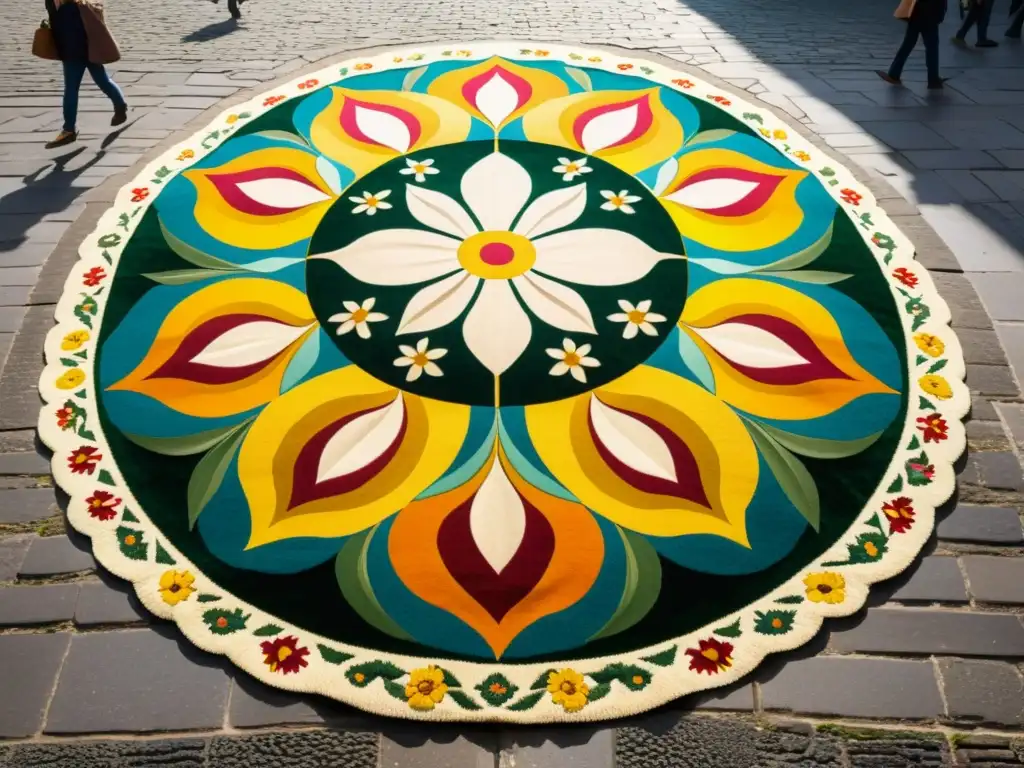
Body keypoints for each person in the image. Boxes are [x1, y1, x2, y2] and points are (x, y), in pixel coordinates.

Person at [45, 0, 127, 149]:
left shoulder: (69, 7)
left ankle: (69, 130)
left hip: (73, 50)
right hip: (87, 48)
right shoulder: (79, 5)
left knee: (71, 88)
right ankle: (120, 105)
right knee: (102, 80)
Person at [877, 0, 949, 89]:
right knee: (931, 47)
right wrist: (940, 15)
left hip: (917, 11)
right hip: (930, 14)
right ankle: (933, 79)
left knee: (908, 43)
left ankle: (894, 72)